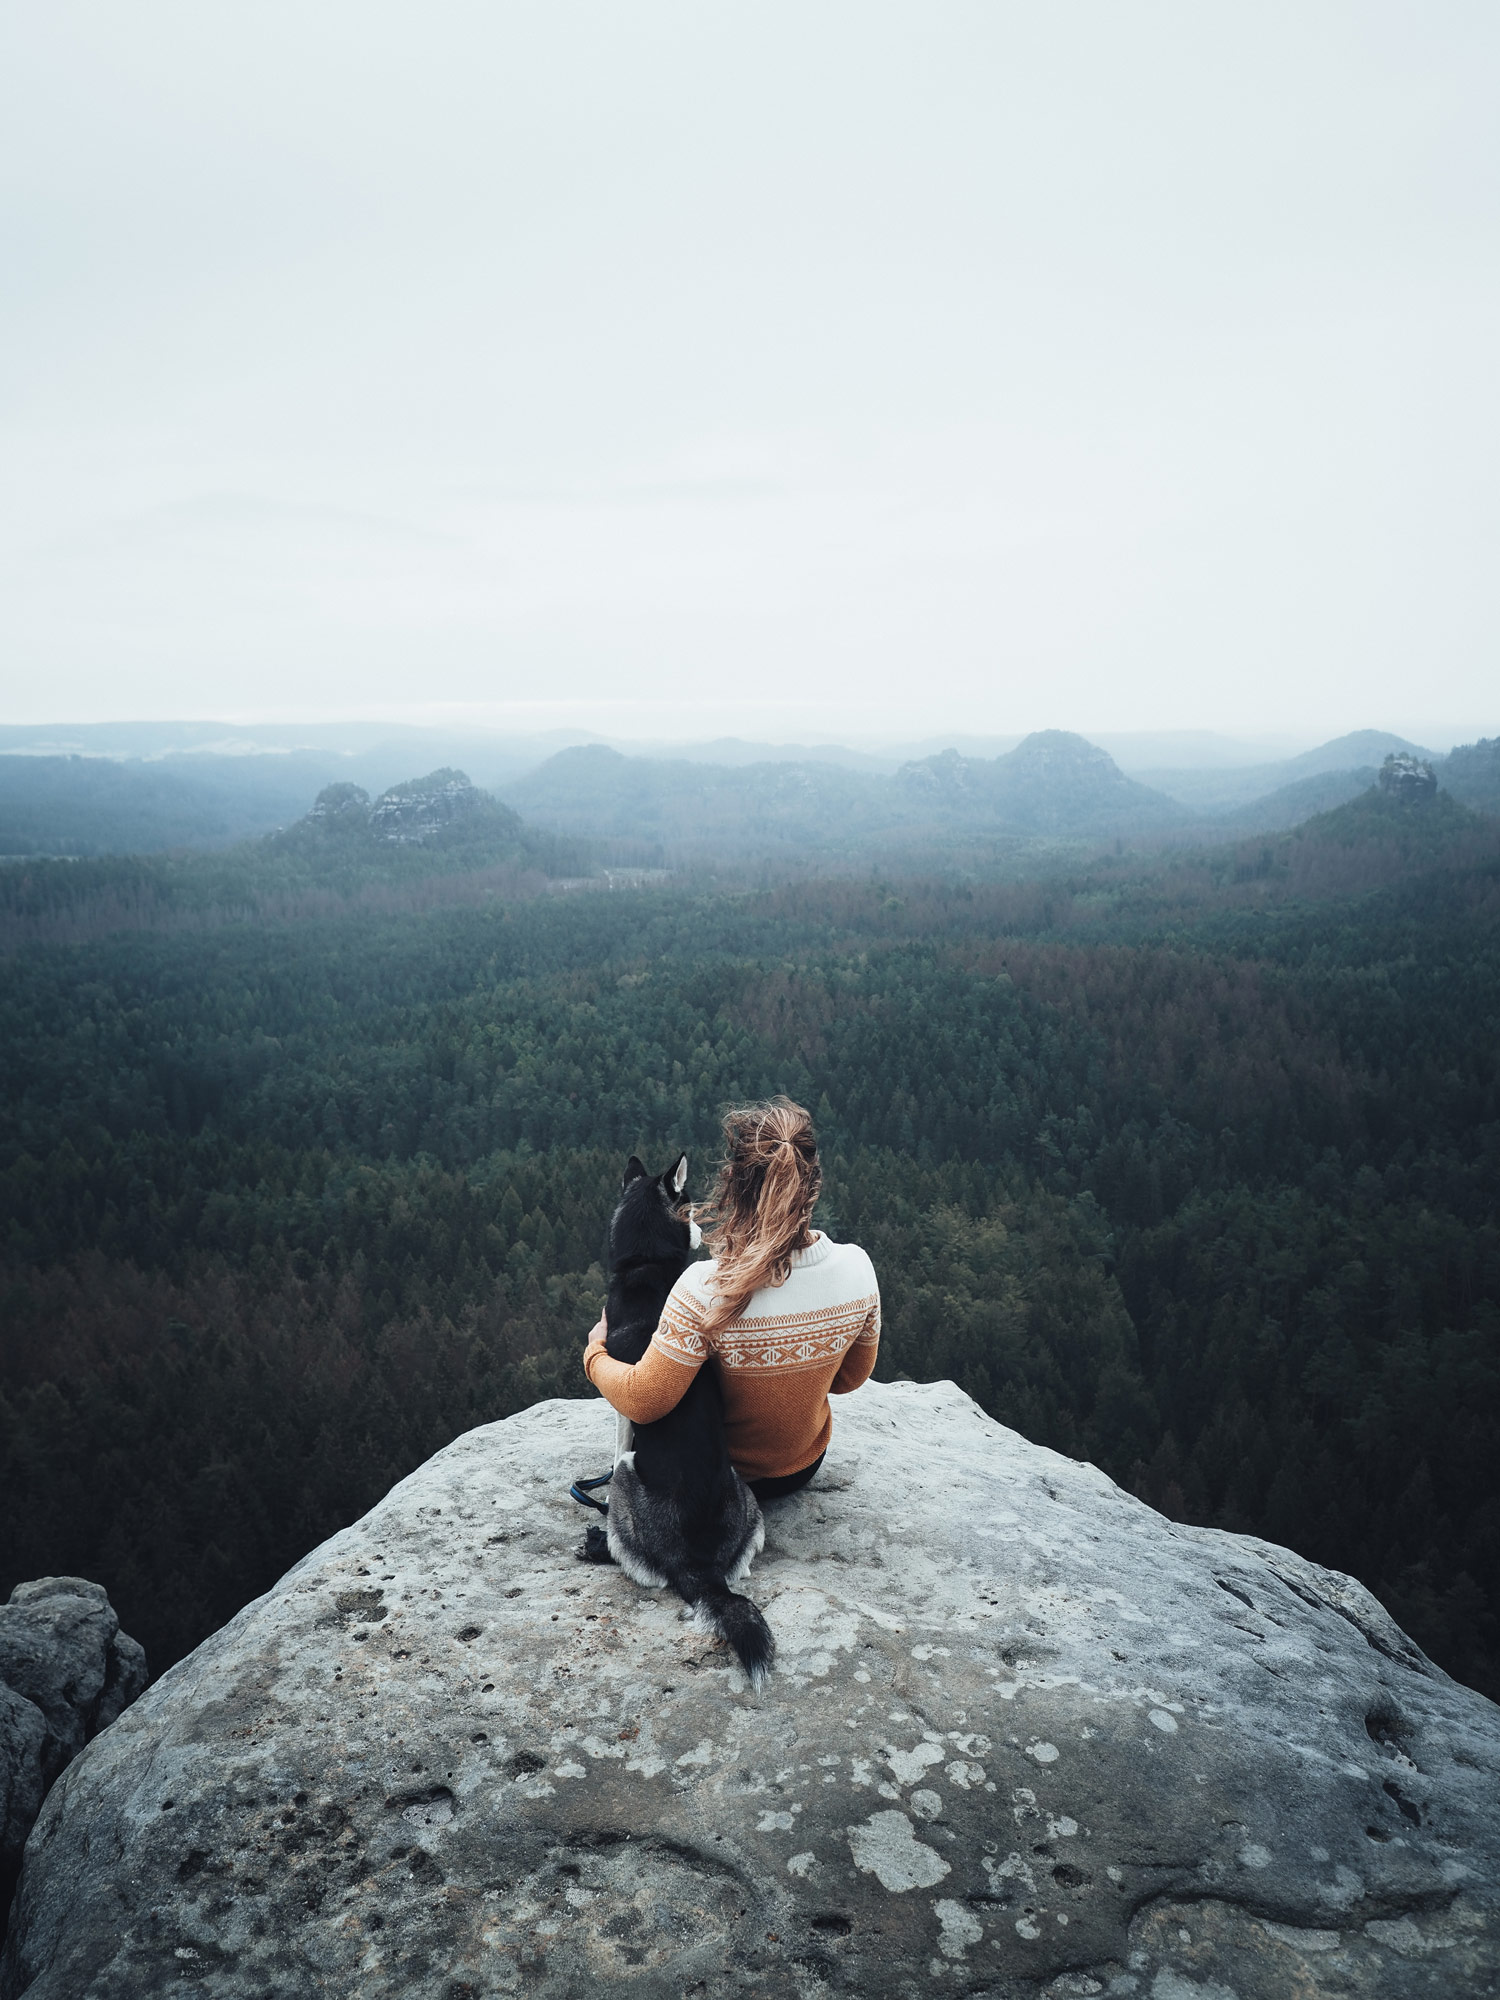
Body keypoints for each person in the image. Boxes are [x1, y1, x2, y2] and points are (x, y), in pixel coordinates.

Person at [583, 1097, 880, 1500]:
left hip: (723, 1479)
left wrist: (595, 1352)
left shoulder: (704, 1287)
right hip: (804, 1467)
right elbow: (849, 1380)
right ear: (813, 1183)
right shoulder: (858, 1267)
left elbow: (643, 1400)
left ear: (733, 1187)